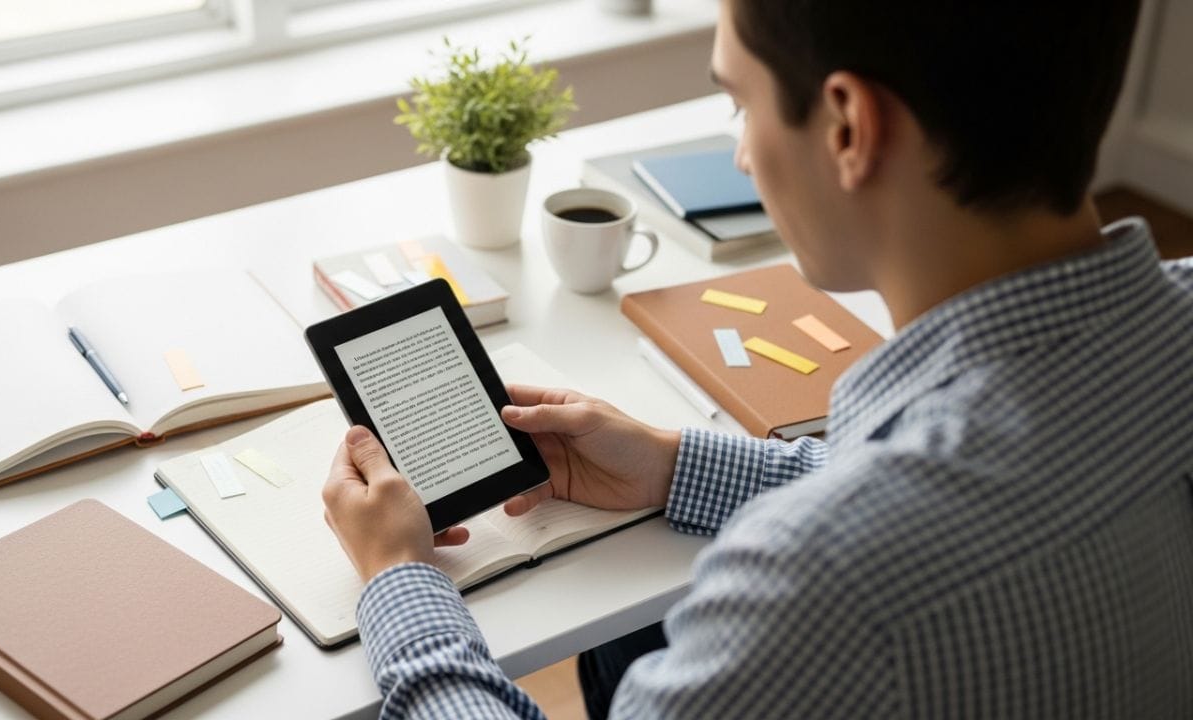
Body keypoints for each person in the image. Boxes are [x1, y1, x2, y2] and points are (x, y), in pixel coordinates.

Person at [322, 0, 1193, 716]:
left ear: (849, 126)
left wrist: (400, 580)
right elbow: (960, 478)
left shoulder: (818, 593)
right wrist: (675, 465)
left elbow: (884, 526)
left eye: (741, 104)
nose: (742, 151)